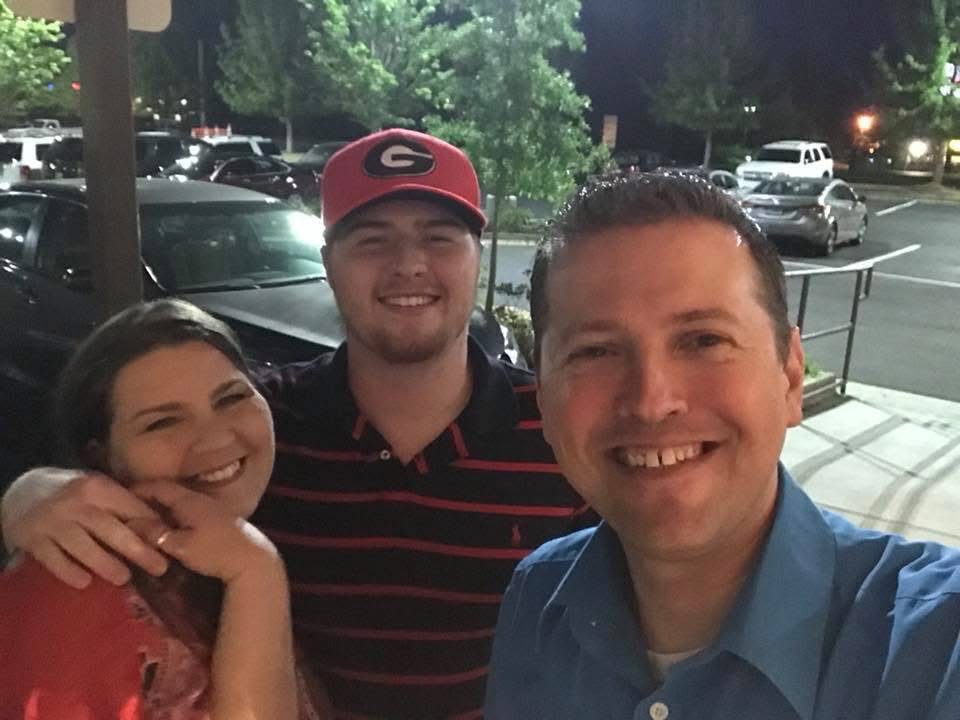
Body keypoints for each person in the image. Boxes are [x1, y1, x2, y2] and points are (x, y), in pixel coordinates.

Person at [2, 129, 593, 719]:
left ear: (476, 257)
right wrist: (28, 496)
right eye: (372, 240)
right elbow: (130, 476)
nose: (409, 264)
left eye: (439, 237)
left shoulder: (560, 428)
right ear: (328, 262)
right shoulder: (257, 431)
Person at [484, 173, 960, 719]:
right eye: (595, 351)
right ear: (543, 398)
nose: (651, 402)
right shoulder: (538, 600)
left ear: (790, 376)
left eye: (704, 340)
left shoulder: (938, 644)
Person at [0, 298, 328, 719]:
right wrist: (256, 571)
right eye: (163, 422)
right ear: (101, 455)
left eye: (231, 398)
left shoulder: (270, 500)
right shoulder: (77, 589)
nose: (216, 438)